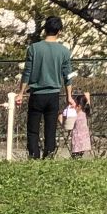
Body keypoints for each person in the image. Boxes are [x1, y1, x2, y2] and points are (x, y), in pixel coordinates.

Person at [21, 16, 73, 160]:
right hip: (53, 95)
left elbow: (27, 72)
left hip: (37, 94)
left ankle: (34, 156)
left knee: (33, 130)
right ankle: (49, 157)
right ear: (59, 31)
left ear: (45, 29)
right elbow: (68, 76)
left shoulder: (34, 48)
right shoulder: (64, 51)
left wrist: (20, 92)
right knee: (50, 130)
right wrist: (69, 96)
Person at [62, 90, 93, 158]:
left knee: (77, 154)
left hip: (78, 138)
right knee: (78, 154)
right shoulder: (84, 113)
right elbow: (88, 104)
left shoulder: (78, 114)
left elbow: (88, 105)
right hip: (82, 138)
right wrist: (87, 97)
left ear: (79, 106)